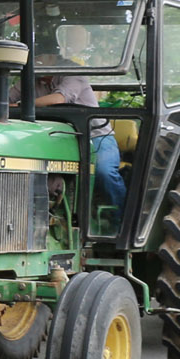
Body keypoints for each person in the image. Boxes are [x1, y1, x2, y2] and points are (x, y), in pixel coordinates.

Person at [37, 21, 126, 214]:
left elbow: (59, 99)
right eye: (33, 58)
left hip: (95, 137)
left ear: (52, 57)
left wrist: (23, 104)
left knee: (103, 172)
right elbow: (8, 98)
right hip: (58, 138)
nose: (36, 62)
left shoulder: (73, 72)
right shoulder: (31, 77)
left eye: (39, 57)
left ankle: (120, 218)